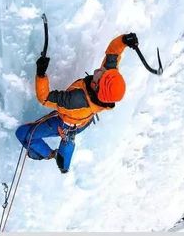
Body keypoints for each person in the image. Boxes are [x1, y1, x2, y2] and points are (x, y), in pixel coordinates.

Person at [15, 33, 139, 173]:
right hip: (83, 122)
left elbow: (45, 98)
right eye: (107, 72)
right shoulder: (108, 84)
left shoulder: (75, 100)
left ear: (96, 86)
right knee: (69, 139)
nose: (102, 70)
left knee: (23, 133)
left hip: (65, 122)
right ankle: (64, 163)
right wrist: (124, 40)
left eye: (102, 75)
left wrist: (41, 74)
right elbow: (113, 53)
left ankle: (47, 154)